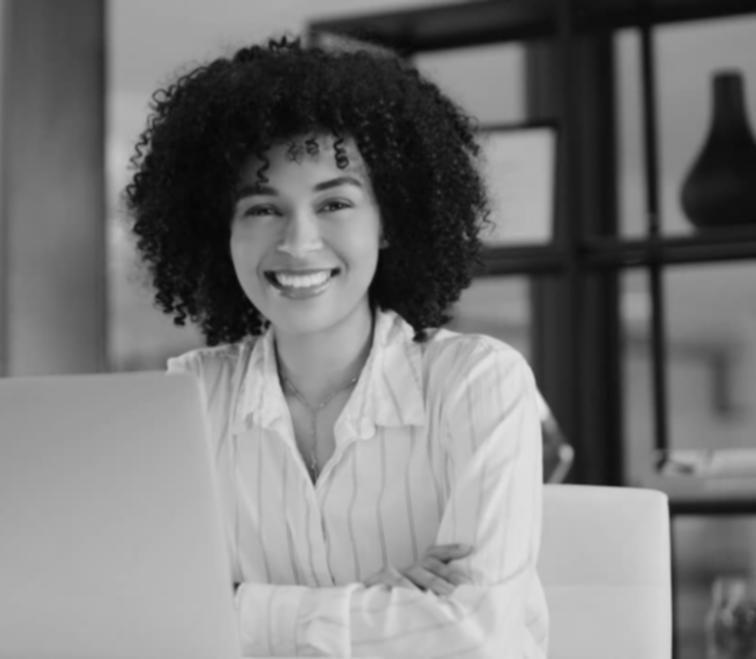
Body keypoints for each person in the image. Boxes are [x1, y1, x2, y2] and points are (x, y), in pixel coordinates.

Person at [124, 37, 547, 657]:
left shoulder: (479, 381)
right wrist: (381, 606)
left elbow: (476, 639)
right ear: (222, 232)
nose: (299, 241)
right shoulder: (185, 398)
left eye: (335, 203)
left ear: (390, 221)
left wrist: (239, 603)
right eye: (263, 208)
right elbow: (145, 626)